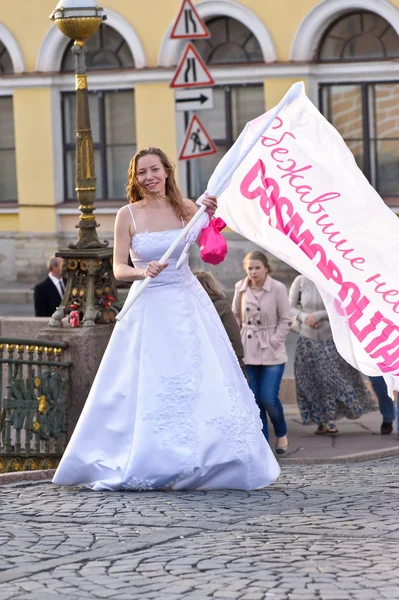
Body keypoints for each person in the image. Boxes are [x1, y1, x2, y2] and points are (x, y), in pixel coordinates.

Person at [53, 147, 280, 491]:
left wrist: (210, 218)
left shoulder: (187, 208)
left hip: (188, 303)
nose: (149, 177)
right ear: (135, 177)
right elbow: (117, 268)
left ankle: (210, 458)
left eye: (154, 169)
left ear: (166, 171)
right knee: (149, 382)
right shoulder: (127, 215)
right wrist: (142, 270)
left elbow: (212, 250)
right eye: (142, 172)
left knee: (199, 380)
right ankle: (149, 457)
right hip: (149, 306)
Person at [289, 274, 377, 434]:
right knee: (312, 381)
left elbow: (343, 306)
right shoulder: (300, 280)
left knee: (329, 379)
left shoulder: (333, 279)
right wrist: (304, 317)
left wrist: (318, 315)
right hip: (307, 339)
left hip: (331, 337)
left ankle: (330, 420)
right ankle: (321, 421)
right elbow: (290, 307)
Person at [232, 251, 291, 455]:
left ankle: (281, 432)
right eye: (250, 268)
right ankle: (264, 444)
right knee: (254, 398)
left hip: (271, 350)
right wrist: (237, 344)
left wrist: (274, 340)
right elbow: (235, 318)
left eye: (257, 267)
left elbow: (286, 319)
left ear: (266, 268)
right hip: (248, 349)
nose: (253, 272)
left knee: (268, 397)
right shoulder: (240, 288)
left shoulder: (278, 288)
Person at [194, 270, 245, 371]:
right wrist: (238, 359)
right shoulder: (221, 306)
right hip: (223, 362)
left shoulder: (191, 308)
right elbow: (233, 336)